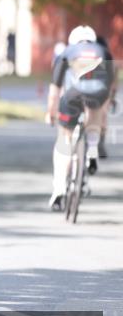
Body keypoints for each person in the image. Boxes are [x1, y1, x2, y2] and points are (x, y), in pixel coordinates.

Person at [45, 25, 116, 211]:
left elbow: (54, 90)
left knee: (64, 138)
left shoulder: (67, 52)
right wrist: (105, 111)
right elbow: (110, 86)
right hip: (98, 93)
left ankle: (59, 188)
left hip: (73, 94)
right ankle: (92, 148)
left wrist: (50, 112)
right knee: (94, 117)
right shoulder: (103, 51)